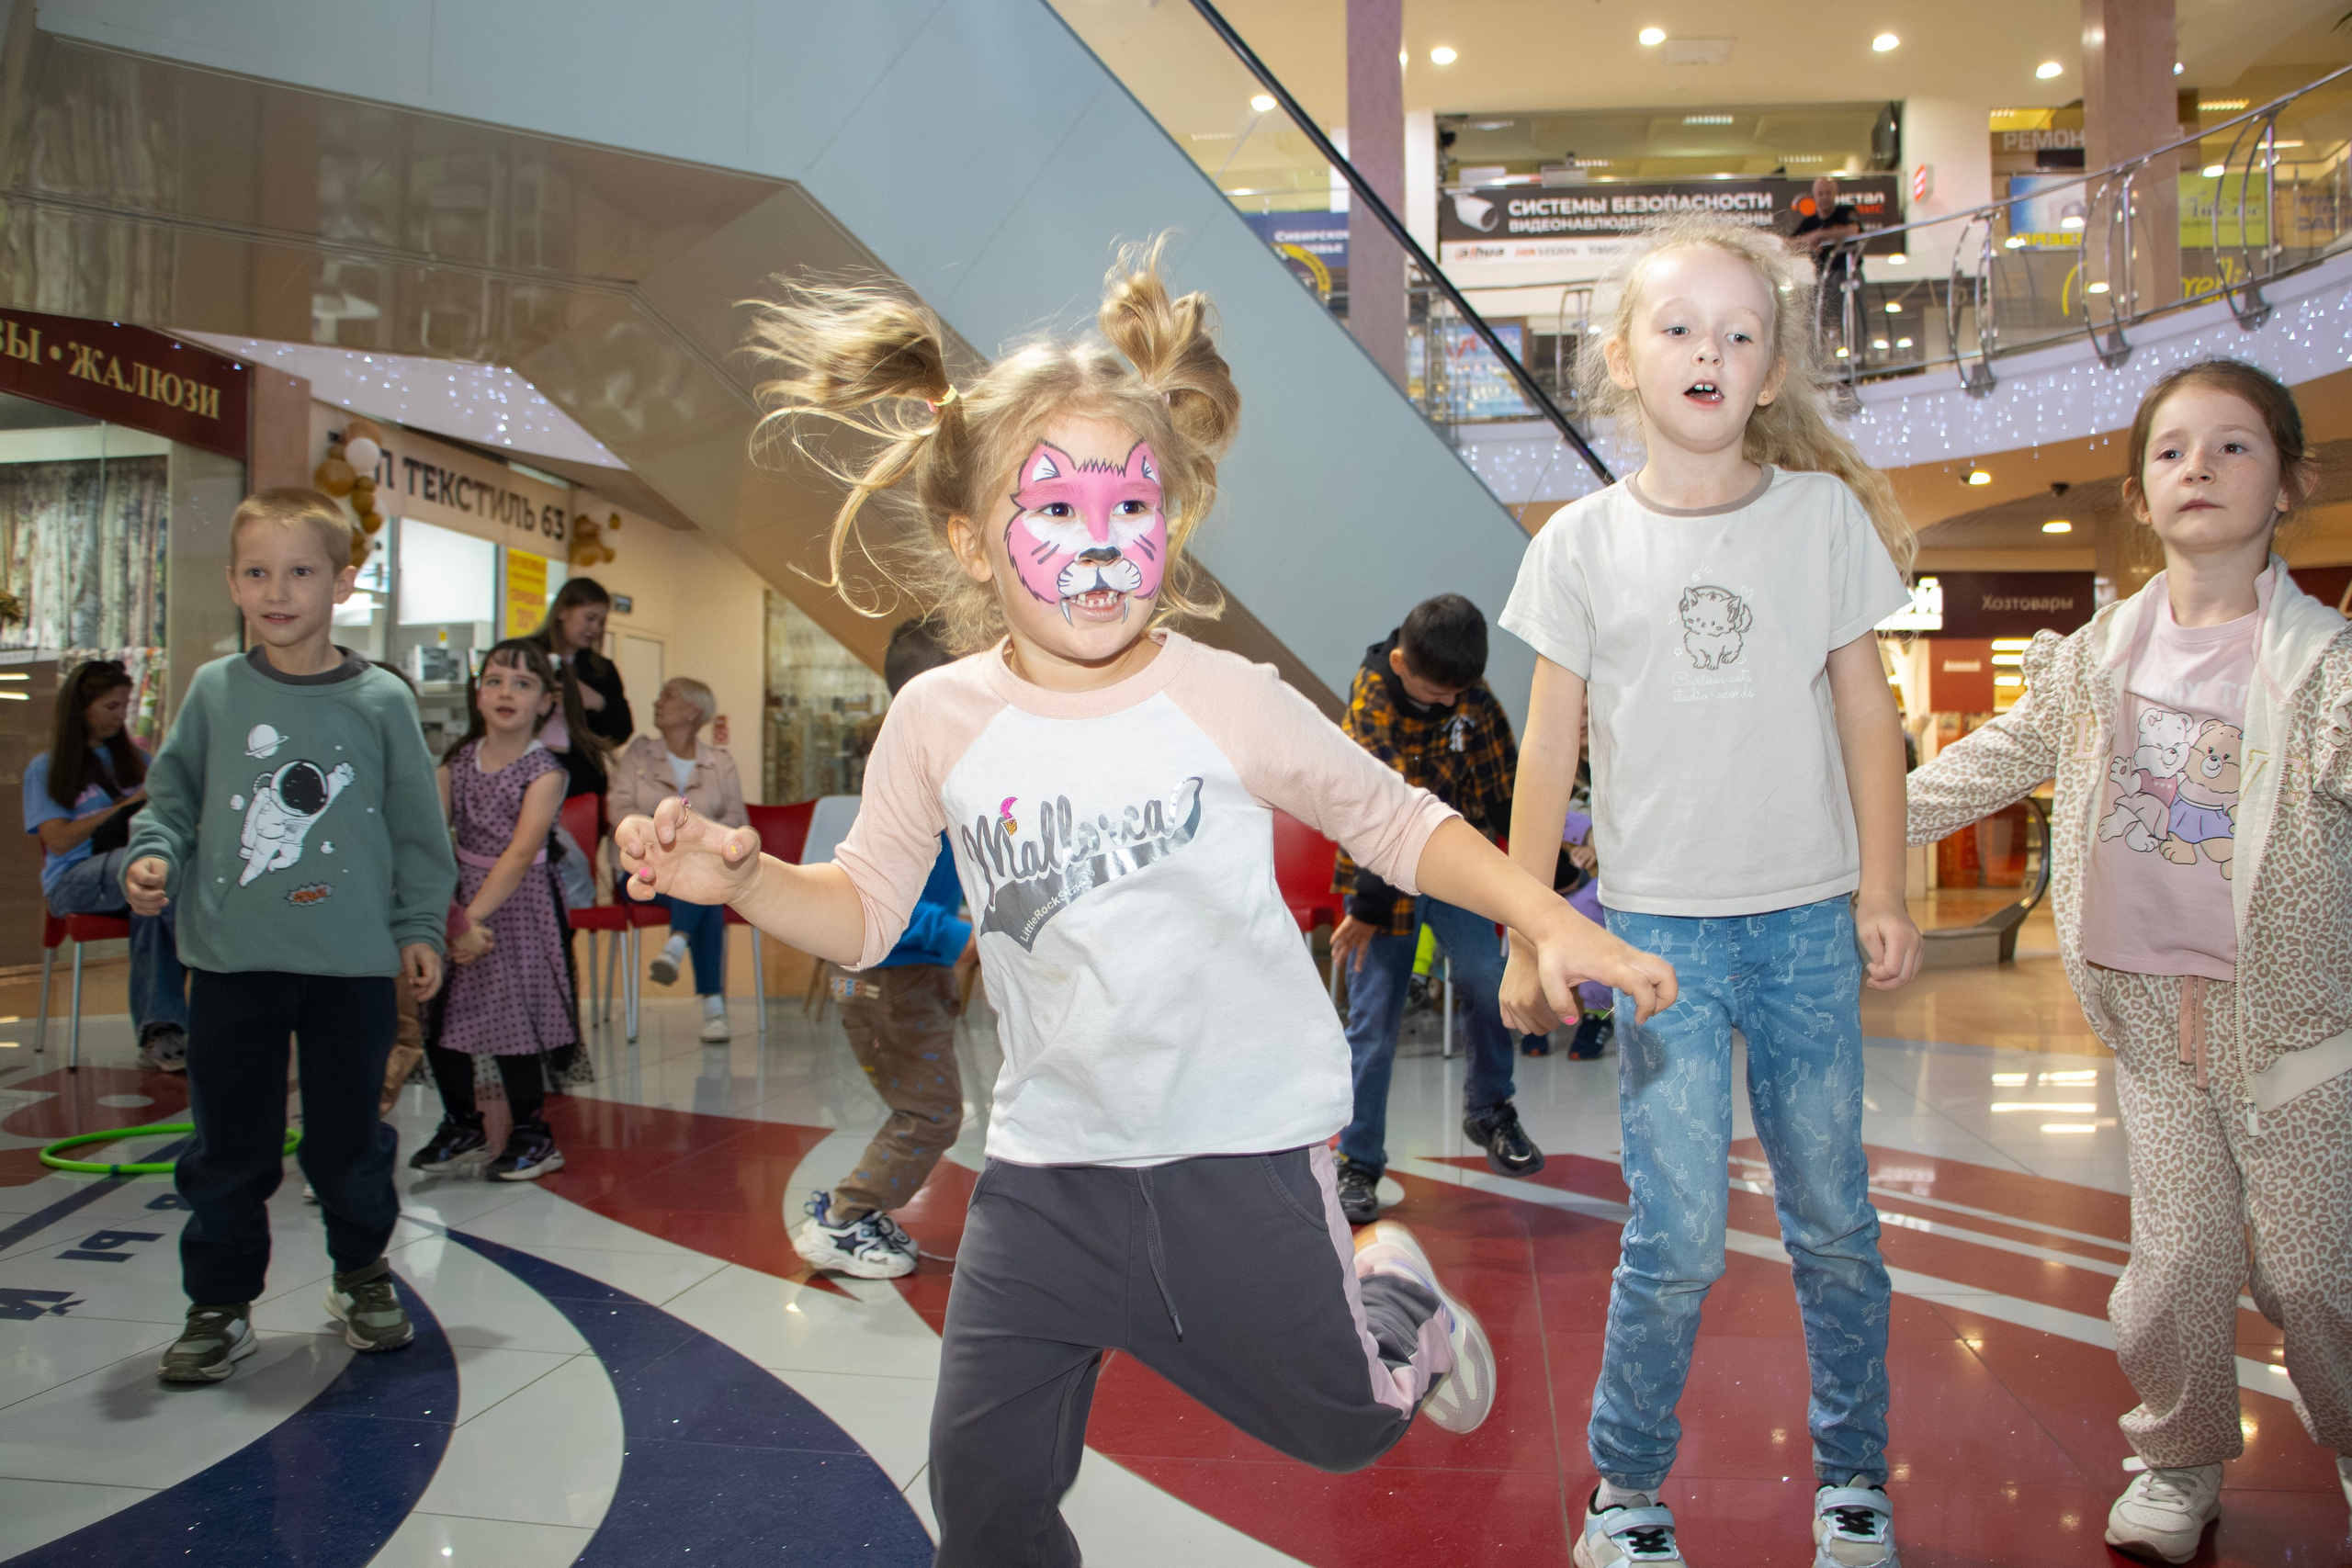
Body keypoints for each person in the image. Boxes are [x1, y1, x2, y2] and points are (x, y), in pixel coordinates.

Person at [616, 240, 1676, 1566]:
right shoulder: (939, 717)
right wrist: (750, 876)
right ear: (968, 539)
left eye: (1129, 512)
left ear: (1169, 523)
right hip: (1047, 1174)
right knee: (986, 1499)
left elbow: (1397, 818)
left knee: (1346, 1425)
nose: (1100, 549)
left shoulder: (1218, 690)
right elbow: (872, 912)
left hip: (1235, 1154)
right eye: (1053, 512)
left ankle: (1396, 1295)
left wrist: (1545, 914)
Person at [1497, 216, 1921, 1568]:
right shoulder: (1579, 543)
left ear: (1773, 371)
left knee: (1837, 1221)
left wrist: (1885, 884)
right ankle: (1627, 1488)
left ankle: (1854, 1471)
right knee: (1673, 1236)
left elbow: (1869, 715)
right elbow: (1548, 746)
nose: (1710, 352)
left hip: (1805, 924)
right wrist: (1532, 928)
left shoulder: (1821, 522)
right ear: (1622, 358)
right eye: (1679, 327)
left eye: (1741, 333)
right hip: (1658, 936)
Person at [1905, 359, 2352, 1564]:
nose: (2198, 467)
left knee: (2314, 1273)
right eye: (2171, 450)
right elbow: (1980, 766)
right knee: (2177, 1267)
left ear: (2290, 481)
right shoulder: (2096, 658)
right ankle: (2179, 1453)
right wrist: (1836, 821)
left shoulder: (2328, 669)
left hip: (2303, 1031)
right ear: (2141, 494)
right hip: (2153, 1026)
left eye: (2234, 446)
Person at [123, 488, 456, 1382]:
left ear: (343, 582)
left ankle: (361, 1274)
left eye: (301, 571)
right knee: (229, 1146)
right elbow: (173, 800)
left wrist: (420, 925)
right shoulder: (215, 691)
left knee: (349, 1142)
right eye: (259, 572)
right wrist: (151, 858)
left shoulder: (382, 699)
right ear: (233, 581)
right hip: (233, 965)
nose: (279, 590)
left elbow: (420, 834)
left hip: (349, 968)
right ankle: (218, 1304)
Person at [1328, 593, 1536, 1225]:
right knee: (1375, 1021)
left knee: (1485, 976)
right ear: (1399, 661)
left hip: (1455, 868)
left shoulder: (1468, 693)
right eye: (1437, 692)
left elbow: (1507, 787)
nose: (1450, 702)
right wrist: (1366, 904)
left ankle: (1490, 1109)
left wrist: (1540, 889)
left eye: (1459, 692)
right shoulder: (1369, 702)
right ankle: (1358, 1158)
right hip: (1380, 883)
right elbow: (1374, 810)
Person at [793, 616, 977, 1279]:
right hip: (885, 973)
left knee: (923, 1105)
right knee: (930, 1113)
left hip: (889, 977)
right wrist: (962, 934)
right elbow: (878, 899)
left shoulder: (930, 764)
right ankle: (844, 1219)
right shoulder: (916, 777)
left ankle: (854, 1213)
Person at [409, 638, 578, 1181]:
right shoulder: (456, 761)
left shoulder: (545, 771)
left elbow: (522, 852)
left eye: (523, 684)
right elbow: (431, 838)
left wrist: (470, 920)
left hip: (515, 905)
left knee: (511, 1021)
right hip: (456, 897)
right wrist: (449, 912)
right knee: (441, 1013)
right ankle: (461, 1123)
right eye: (496, 681)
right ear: (478, 692)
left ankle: (533, 1132)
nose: (507, 693)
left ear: (546, 701)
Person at [23, 658, 188, 1070]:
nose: (121, 716)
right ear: (82, 709)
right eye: (111, 707)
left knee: (152, 899)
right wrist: (124, 808)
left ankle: (160, 1033)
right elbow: (58, 840)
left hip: (139, 872)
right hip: (74, 879)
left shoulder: (140, 763)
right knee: (155, 875)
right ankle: (214, 984)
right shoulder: (45, 769)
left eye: (124, 706)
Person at [606, 675, 747, 1044]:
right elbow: (618, 809)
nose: (656, 702)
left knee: (701, 883)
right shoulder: (639, 753)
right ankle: (713, 1006)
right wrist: (669, 839)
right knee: (706, 889)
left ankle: (677, 944)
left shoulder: (720, 762)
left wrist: (698, 843)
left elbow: (736, 820)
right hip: (642, 870)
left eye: (667, 697)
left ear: (693, 711)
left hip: (702, 869)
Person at [528, 576, 630, 802]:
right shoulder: (527, 657)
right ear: (563, 612)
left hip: (581, 783)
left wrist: (598, 702)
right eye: (590, 618)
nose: (595, 628)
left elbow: (622, 731)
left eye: (601, 622)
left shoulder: (601, 670)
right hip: (526, 777)